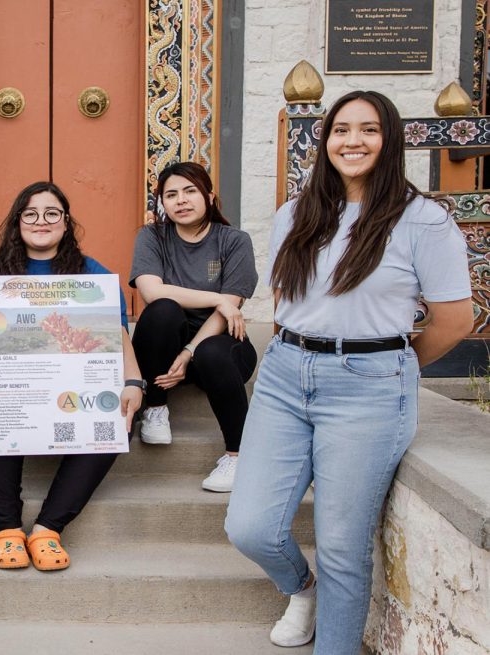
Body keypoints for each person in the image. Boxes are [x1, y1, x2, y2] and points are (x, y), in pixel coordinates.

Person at [224, 90, 473, 653]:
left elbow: (455, 320)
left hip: (368, 386)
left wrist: (392, 363)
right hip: (285, 374)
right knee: (251, 527)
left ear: (389, 139)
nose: (352, 141)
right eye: (340, 130)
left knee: (341, 545)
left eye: (368, 130)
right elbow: (289, 296)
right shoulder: (297, 211)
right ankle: (301, 588)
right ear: (325, 139)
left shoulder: (423, 220)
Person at [0, 181, 144, 571]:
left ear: (66, 223)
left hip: (70, 390)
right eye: (31, 214)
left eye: (52, 213)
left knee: (115, 417)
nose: (41, 221)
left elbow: (116, 335)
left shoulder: (92, 275)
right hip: (0, 388)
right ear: (18, 222)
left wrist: (133, 383)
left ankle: (48, 528)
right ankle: (7, 529)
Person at [129, 161, 257, 492]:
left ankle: (237, 456)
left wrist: (189, 353)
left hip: (219, 346)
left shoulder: (234, 241)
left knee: (212, 352)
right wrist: (215, 298)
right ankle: (155, 407)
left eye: (190, 191)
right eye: (171, 195)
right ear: (162, 203)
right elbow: (151, 291)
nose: (181, 201)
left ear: (209, 196)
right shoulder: (152, 236)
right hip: (164, 351)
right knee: (162, 310)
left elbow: (228, 313)